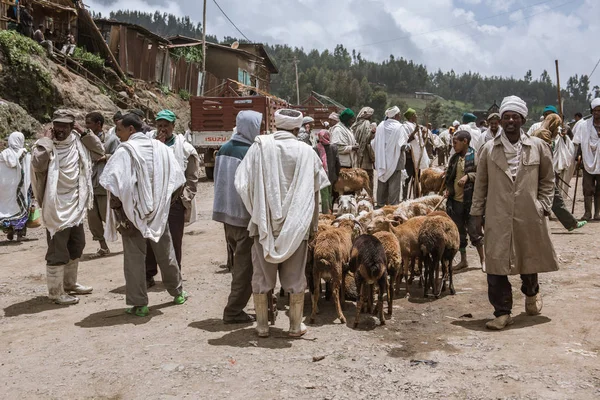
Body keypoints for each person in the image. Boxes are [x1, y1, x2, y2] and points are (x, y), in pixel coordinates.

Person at [234, 109, 330, 338]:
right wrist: (311, 223)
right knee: (295, 277)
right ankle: (295, 326)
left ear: (276, 125)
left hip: (263, 223)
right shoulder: (307, 152)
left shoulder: (259, 147)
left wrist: (258, 210)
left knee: (262, 276)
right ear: (297, 129)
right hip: (297, 226)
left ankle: (263, 326)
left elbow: (242, 183)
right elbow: (315, 191)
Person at [471, 95, 558, 330]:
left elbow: (548, 180)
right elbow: (480, 185)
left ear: (523, 120)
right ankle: (502, 312)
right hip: (497, 215)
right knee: (495, 264)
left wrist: (543, 205)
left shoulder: (538, 147)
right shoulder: (489, 150)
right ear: (500, 120)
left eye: (515, 117)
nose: (510, 121)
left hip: (529, 214)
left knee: (528, 258)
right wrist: (476, 215)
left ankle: (532, 292)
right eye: (506, 116)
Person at [100, 113, 188, 317]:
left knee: (134, 258)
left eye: (120, 130)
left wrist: (120, 212)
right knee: (166, 253)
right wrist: (164, 205)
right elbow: (177, 179)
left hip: (131, 215)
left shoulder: (124, 151)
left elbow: (112, 183)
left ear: (131, 130)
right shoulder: (160, 148)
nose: (118, 134)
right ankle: (178, 293)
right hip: (159, 212)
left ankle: (140, 304)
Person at [31, 110, 105, 305]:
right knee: (58, 249)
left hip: (76, 204)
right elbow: (38, 164)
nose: (60, 129)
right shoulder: (45, 145)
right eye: (57, 125)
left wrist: (83, 132)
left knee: (77, 244)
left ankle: (70, 284)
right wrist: (46, 141)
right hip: (55, 205)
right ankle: (56, 292)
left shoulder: (79, 142)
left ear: (73, 127)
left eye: (65, 125)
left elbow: (99, 151)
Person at [213, 110, 262, 323]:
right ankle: (233, 311)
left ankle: (237, 306)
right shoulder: (249, 151)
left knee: (237, 264)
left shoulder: (224, 148)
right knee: (245, 268)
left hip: (226, 214)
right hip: (244, 217)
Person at [146, 110, 200, 288]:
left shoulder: (184, 148)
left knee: (174, 240)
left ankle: (174, 276)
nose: (162, 129)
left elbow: (192, 176)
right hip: (152, 201)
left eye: (166, 126)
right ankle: (148, 274)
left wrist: (185, 198)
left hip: (174, 201)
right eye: (159, 125)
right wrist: (156, 147)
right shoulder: (148, 143)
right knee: (150, 238)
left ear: (173, 126)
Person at [532, 114, 586, 231]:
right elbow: (544, 156)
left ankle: (571, 223)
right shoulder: (543, 135)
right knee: (556, 199)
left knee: (555, 198)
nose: (557, 130)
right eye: (556, 127)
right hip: (542, 173)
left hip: (542, 172)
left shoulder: (542, 133)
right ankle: (571, 223)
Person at [444, 130, 484, 270]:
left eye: (455, 143)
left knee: (474, 231)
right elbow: (450, 176)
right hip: (456, 200)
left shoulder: (475, 156)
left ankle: (483, 260)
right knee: (459, 231)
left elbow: (481, 174)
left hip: (471, 200)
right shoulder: (454, 158)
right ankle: (463, 260)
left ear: (465, 141)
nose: (453, 146)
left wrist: (468, 177)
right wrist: (449, 188)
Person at [86, 112, 120, 258]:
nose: (87, 126)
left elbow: (120, 156)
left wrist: (105, 157)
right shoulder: (85, 140)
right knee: (93, 218)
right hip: (89, 184)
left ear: (98, 124)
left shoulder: (111, 139)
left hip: (104, 185)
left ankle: (131, 240)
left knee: (110, 216)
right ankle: (103, 246)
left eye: (89, 123)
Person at [372, 106, 408, 206]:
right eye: (399, 114)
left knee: (382, 184)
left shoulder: (380, 126)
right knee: (394, 186)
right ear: (396, 115)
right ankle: (392, 207)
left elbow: (374, 143)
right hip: (396, 162)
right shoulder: (400, 127)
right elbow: (402, 145)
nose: (400, 116)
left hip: (382, 161)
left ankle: (380, 206)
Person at [0, 132, 31, 242]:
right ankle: (20, 234)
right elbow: (28, 170)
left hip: (5, 188)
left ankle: (9, 230)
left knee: (8, 208)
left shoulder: (3, 154)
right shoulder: (24, 154)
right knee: (22, 207)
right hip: (20, 187)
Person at [573, 98, 600, 221]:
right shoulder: (584, 125)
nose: (597, 113)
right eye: (595, 111)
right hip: (587, 161)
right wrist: (577, 158)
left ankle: (597, 214)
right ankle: (587, 213)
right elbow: (579, 142)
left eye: (599, 111)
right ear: (591, 111)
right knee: (587, 189)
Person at [315, 129, 341, 213]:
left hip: (322, 176)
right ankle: (330, 210)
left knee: (324, 194)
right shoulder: (333, 147)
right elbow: (337, 162)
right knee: (330, 193)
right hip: (332, 175)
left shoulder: (315, 148)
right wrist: (338, 174)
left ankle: (326, 212)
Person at [352, 107, 376, 192]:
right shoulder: (366, 123)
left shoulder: (356, 124)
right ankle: (370, 197)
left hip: (356, 154)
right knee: (368, 178)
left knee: (358, 178)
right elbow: (367, 139)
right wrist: (373, 133)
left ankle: (358, 197)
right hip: (365, 155)